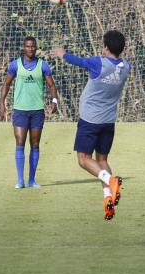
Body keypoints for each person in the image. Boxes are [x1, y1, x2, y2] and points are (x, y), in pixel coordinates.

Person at [51, 30, 130, 221]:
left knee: (84, 160)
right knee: (101, 161)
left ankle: (111, 181)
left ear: (105, 47)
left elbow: (78, 61)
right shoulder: (126, 66)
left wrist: (62, 54)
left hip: (90, 120)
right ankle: (108, 199)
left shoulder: (98, 63)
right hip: (109, 121)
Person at [0, 37, 60, 189]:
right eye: (28, 46)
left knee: (35, 144)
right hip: (20, 110)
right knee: (20, 142)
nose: (30, 49)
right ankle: (20, 180)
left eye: (33, 46)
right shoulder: (15, 65)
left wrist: (54, 101)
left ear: (36, 48)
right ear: (23, 48)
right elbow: (6, 84)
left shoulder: (42, 65)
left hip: (37, 110)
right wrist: (2, 102)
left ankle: (32, 180)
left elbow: (52, 85)